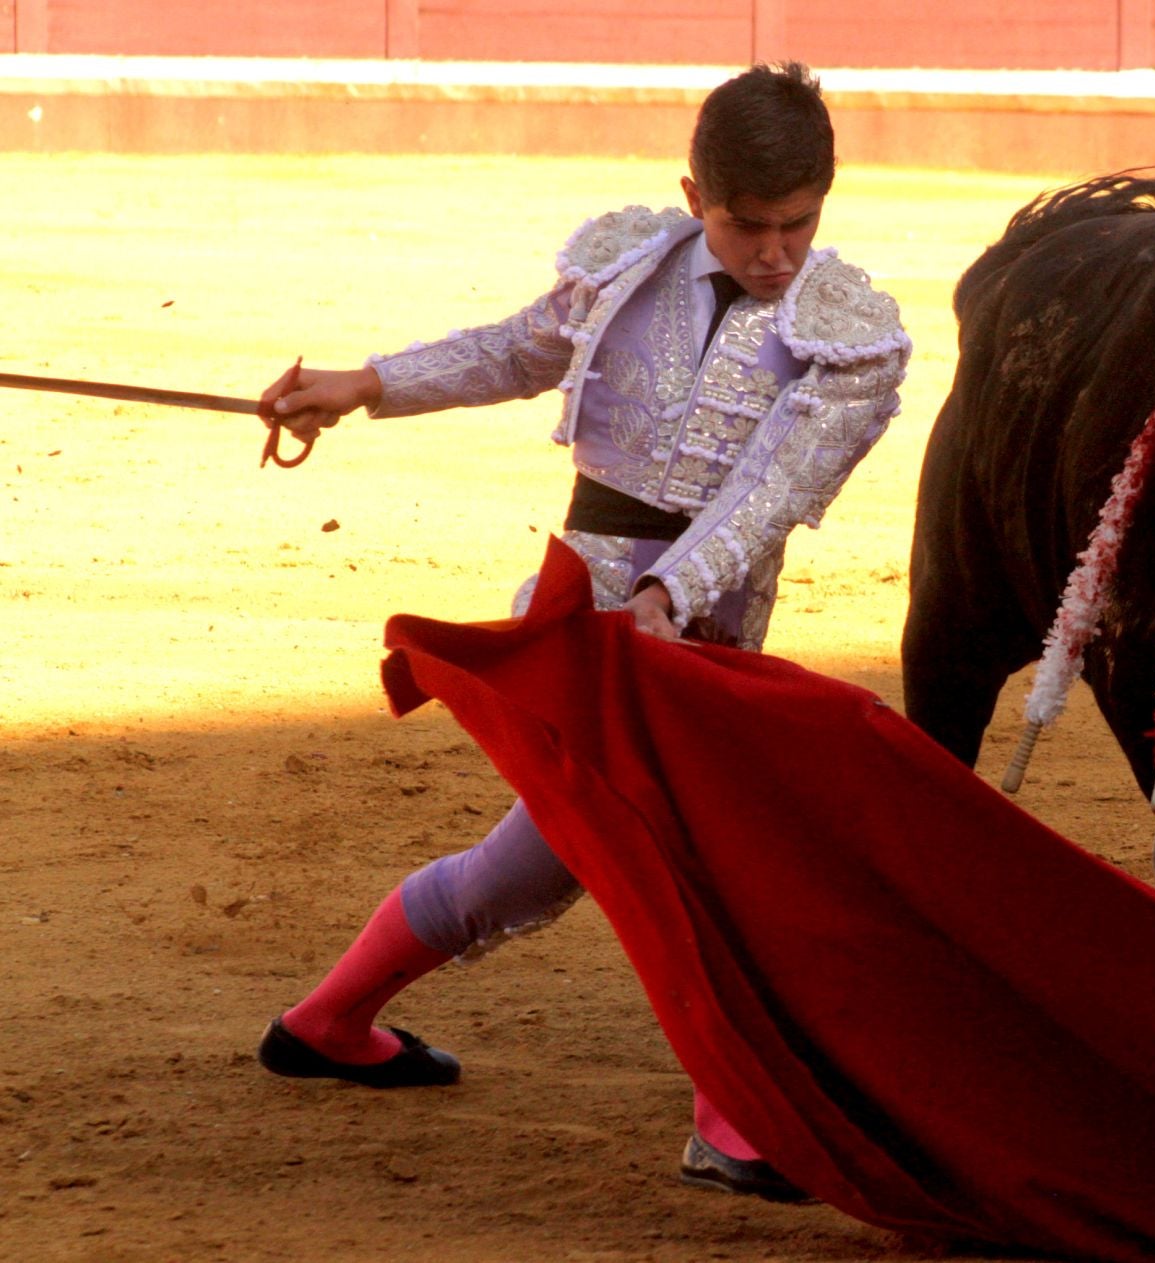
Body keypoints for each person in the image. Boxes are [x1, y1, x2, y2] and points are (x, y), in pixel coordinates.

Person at [251, 62, 909, 1205]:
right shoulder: (630, 260)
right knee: (687, 861)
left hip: (698, 641)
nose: (774, 253)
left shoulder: (851, 334)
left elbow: (769, 491)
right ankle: (732, 1120)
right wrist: (365, 384)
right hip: (574, 618)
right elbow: (513, 350)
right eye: (746, 224)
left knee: (546, 863)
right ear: (693, 190)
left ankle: (330, 1019)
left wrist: (671, 599)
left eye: (797, 224)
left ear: (826, 195)